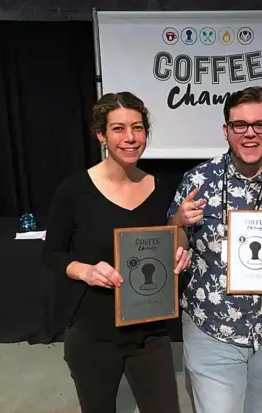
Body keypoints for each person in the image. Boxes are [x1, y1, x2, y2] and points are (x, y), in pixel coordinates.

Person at [166, 86, 262, 413]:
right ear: (226, 130)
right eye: (240, 125)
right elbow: (175, 240)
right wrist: (178, 223)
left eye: (259, 124)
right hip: (212, 328)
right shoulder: (198, 181)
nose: (250, 133)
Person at [43, 92, 190, 413]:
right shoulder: (74, 191)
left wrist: (182, 251)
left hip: (150, 331)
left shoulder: (161, 187)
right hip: (94, 332)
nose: (131, 138)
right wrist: (85, 270)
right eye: (119, 129)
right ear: (101, 134)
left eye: (138, 128)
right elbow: (52, 253)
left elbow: (174, 239)